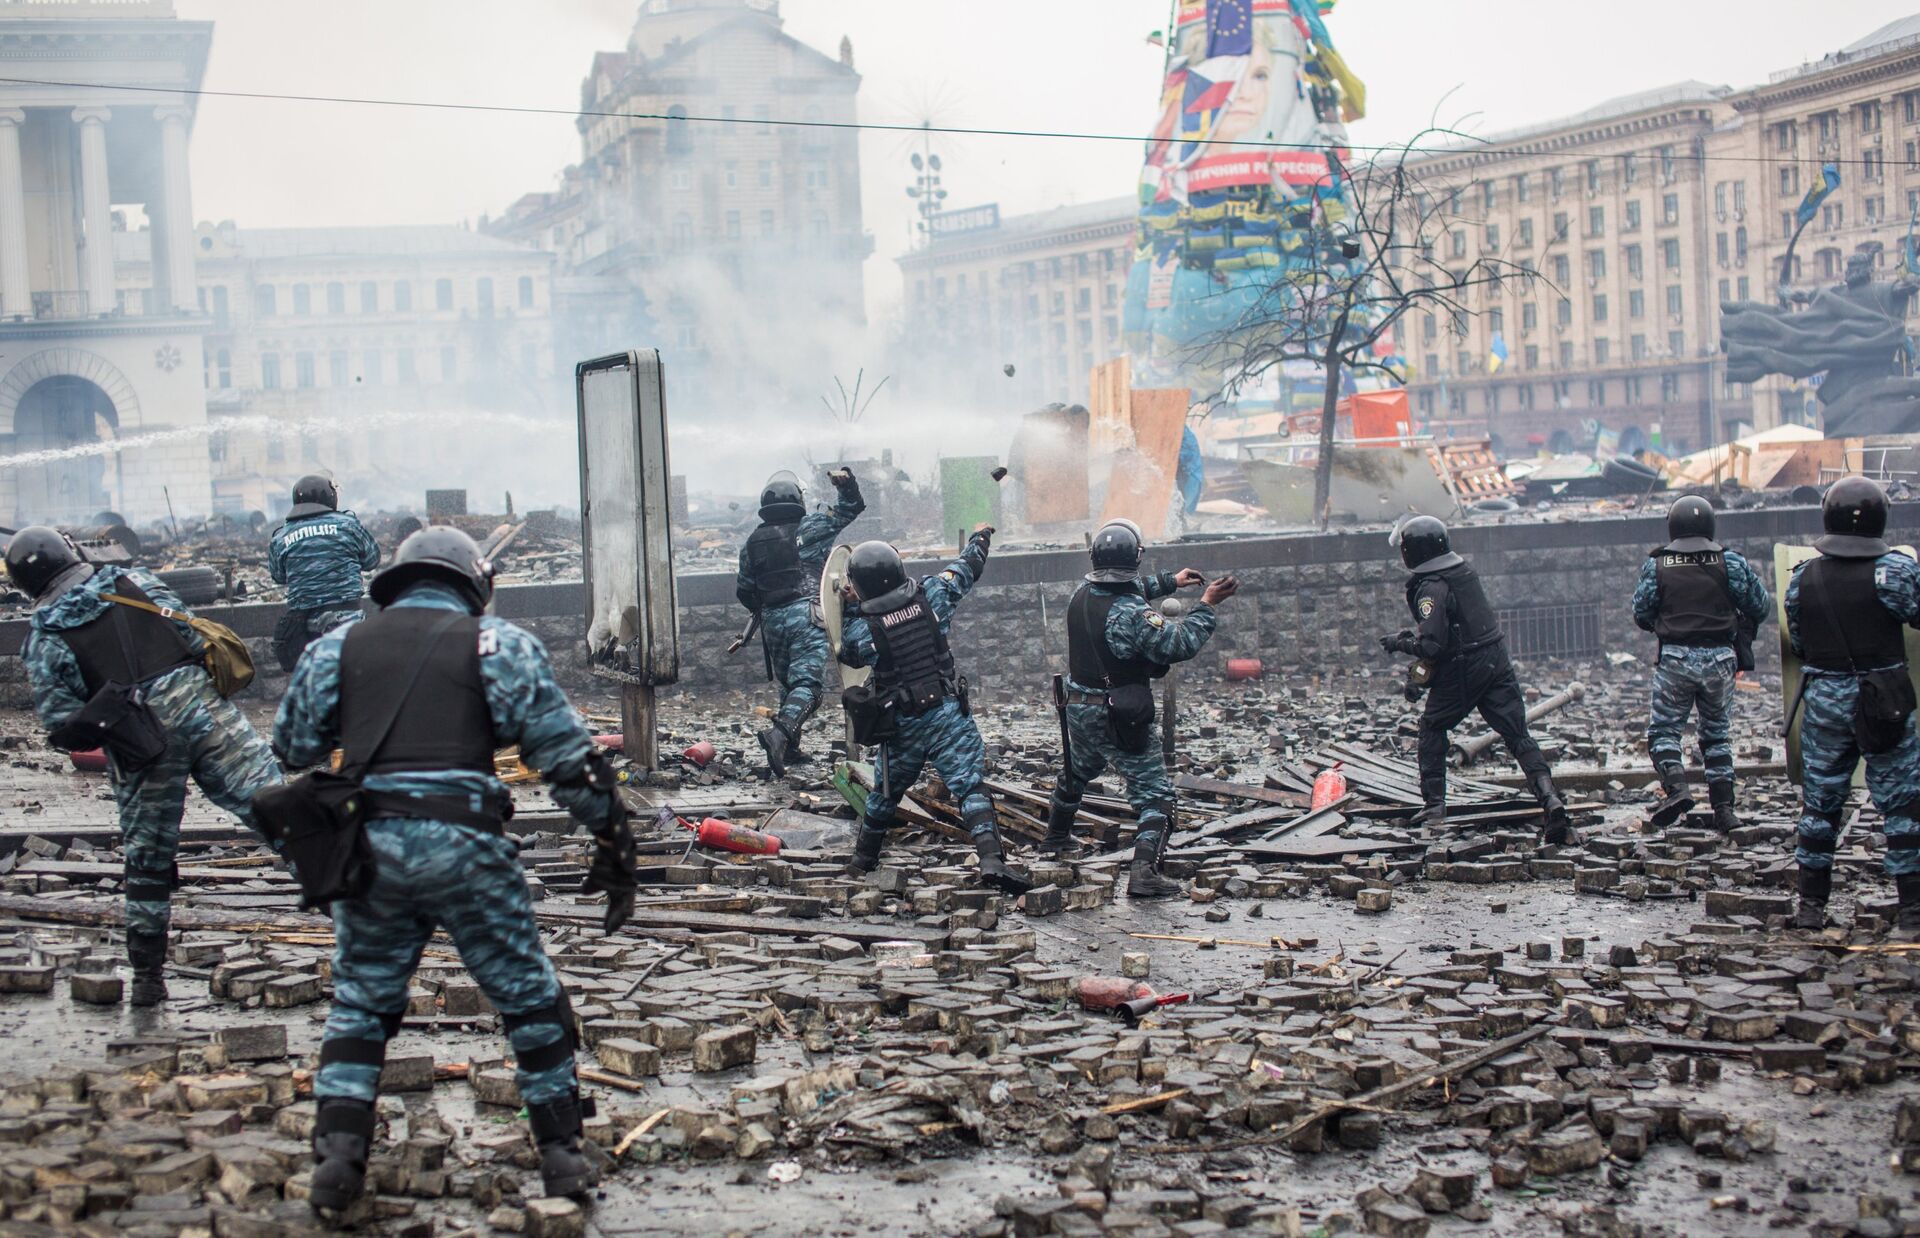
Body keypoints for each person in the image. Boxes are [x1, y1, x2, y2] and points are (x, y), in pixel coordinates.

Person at [272, 527, 636, 1215]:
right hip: (469, 846)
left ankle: (339, 1164)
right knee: (528, 998)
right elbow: (565, 760)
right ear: (475, 583)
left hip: (370, 850)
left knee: (360, 1004)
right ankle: (562, 1159)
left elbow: (293, 744)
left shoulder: (337, 646)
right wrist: (613, 843)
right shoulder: (498, 644)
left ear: (397, 582)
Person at [6, 526, 282, 1005]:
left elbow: (61, 724)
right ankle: (363, 915)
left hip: (141, 742)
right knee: (280, 810)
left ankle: (148, 980)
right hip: (206, 716)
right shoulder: (137, 585)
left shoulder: (46, 635)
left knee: (148, 861)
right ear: (73, 553)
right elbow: (194, 637)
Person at [1044, 519, 1236, 898]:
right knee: (1156, 796)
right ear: (1135, 559)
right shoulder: (1133, 613)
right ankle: (1144, 872)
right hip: (1115, 715)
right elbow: (1177, 644)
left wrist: (1170, 581)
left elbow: (1123, 592)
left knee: (1077, 772)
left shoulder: (1080, 594)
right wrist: (1207, 605)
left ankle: (1055, 838)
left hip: (1077, 706)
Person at [837, 527, 1030, 894]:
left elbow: (847, 653)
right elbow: (967, 568)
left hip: (902, 722)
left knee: (885, 794)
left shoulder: (865, 631)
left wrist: (847, 609)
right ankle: (991, 860)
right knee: (970, 786)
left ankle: (862, 863)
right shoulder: (934, 596)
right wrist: (980, 539)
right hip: (946, 712)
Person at [1378, 515, 1572, 842]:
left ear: (1414, 552)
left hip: (1463, 667)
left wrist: (1400, 643)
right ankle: (1550, 799)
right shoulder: (1462, 571)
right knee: (1517, 734)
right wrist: (1418, 678)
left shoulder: (1430, 587)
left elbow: (1433, 645)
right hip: (1495, 659)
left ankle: (1435, 805)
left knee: (1432, 728)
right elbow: (1452, 635)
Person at [1785, 476, 1920, 933]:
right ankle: (1912, 910)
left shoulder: (1804, 575)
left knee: (1821, 803)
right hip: (1885, 700)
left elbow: (1799, 642)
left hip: (1824, 699)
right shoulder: (1893, 571)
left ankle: (1810, 908)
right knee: (1902, 803)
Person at [1632, 495, 1773, 831]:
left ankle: (1678, 789)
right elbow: (1761, 605)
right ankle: (1724, 811)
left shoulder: (1657, 565)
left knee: (1664, 732)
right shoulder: (1732, 563)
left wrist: (1666, 626)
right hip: (1721, 659)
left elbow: (1641, 613)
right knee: (1716, 735)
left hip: (1676, 658)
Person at [735, 467, 864, 776]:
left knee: (789, 684)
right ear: (797, 499)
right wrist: (847, 485)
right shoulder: (812, 527)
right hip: (807, 615)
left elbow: (745, 591)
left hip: (772, 621)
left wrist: (768, 610)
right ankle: (779, 734)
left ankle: (788, 750)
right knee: (809, 687)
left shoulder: (751, 543)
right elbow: (851, 509)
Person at [268, 475, 381, 672]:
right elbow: (372, 560)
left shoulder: (281, 536)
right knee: (357, 677)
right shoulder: (347, 525)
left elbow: (279, 576)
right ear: (330, 497)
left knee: (313, 679)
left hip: (304, 624)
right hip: (347, 618)